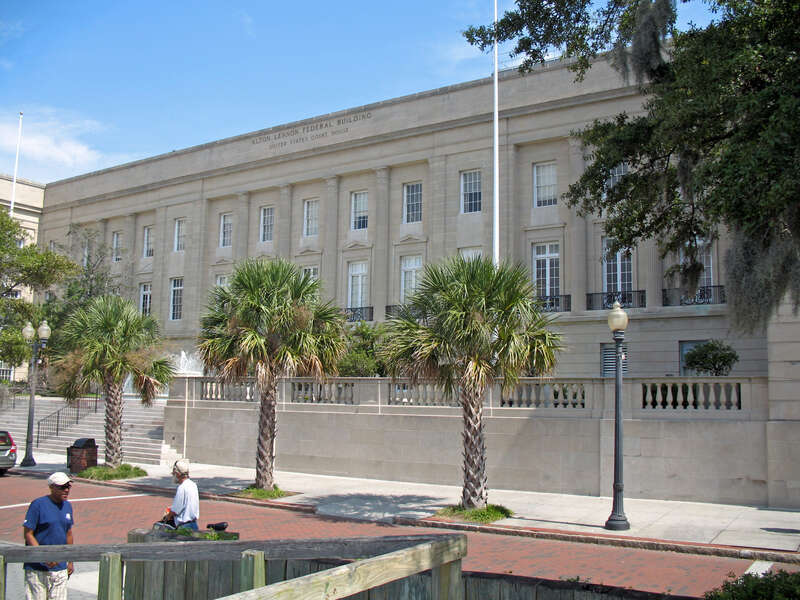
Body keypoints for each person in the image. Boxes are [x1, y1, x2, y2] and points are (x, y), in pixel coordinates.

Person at [22, 472, 75, 600]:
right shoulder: (38, 505)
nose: (66, 490)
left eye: (68, 486)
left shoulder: (68, 506)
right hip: (37, 568)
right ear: (51, 487)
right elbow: (28, 534)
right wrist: (43, 556)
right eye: (62, 487)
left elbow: (68, 533)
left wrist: (70, 560)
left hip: (60, 568)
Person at [164, 459, 199, 530]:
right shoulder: (193, 485)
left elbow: (176, 510)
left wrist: (167, 516)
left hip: (184, 526)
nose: (173, 476)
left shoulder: (182, 488)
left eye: (173, 473)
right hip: (194, 524)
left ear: (178, 474)